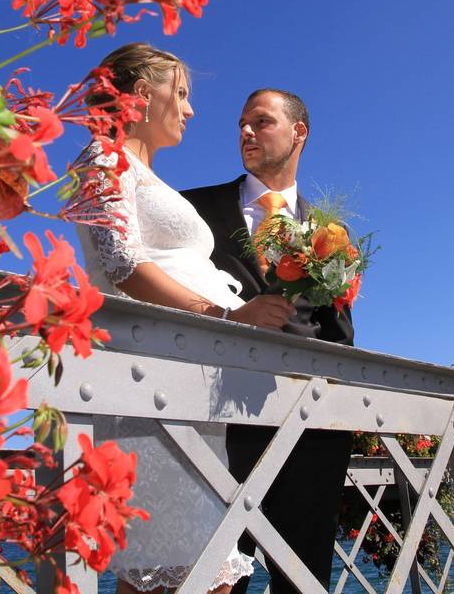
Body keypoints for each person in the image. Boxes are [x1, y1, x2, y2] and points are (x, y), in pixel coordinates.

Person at [74, 43, 296, 594]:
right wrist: (226, 314)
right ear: (144, 95)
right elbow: (120, 264)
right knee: (181, 571)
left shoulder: (145, 173)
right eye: (184, 93)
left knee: (194, 571)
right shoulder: (103, 158)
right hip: (151, 387)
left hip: (190, 388)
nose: (191, 110)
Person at [181, 89, 355, 593]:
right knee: (214, 578)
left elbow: (339, 335)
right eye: (241, 123)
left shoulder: (331, 232)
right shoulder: (195, 208)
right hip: (214, 425)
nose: (246, 132)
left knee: (302, 579)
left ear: (299, 132)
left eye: (261, 121)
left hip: (310, 433)